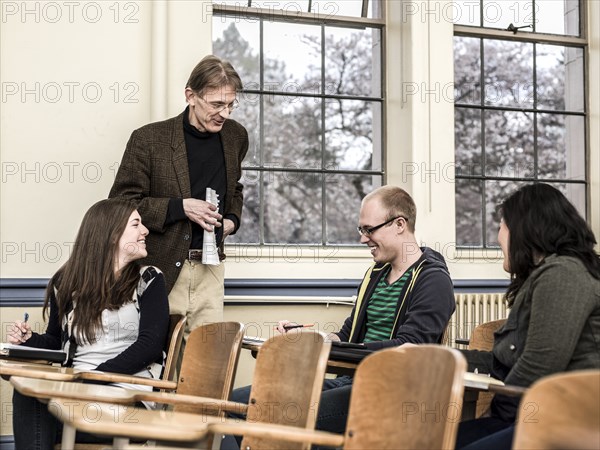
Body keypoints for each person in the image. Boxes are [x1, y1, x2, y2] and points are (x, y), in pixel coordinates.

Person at [227, 185, 455, 441]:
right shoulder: (375, 274)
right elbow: (348, 334)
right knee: (234, 403)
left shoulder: (433, 280)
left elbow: (411, 348)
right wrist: (313, 338)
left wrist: (344, 350)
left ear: (399, 224)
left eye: (369, 229)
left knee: (280, 413)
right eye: (361, 230)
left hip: (390, 393)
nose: (362, 239)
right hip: (350, 380)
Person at [7, 198, 169, 450]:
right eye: (136, 224)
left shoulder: (149, 279)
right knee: (27, 396)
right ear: (111, 233)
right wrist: (28, 340)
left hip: (128, 397)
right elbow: (55, 343)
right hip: (78, 391)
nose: (145, 230)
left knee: (42, 419)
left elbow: (150, 345)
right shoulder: (67, 281)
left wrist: (95, 378)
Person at [109, 55, 249, 339]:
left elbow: (235, 187)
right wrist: (180, 207)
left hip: (211, 268)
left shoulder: (236, 136)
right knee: (158, 361)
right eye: (216, 104)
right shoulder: (148, 140)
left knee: (207, 366)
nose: (225, 113)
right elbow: (120, 204)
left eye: (231, 104)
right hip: (160, 267)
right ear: (191, 96)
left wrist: (232, 220)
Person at [455, 183, 600, 450]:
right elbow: (503, 361)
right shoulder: (550, 274)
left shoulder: (564, 274)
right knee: (436, 438)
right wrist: (443, 358)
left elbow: (539, 365)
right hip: (543, 411)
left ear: (523, 230)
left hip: (571, 419)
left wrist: (493, 415)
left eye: (502, 226)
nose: (498, 236)